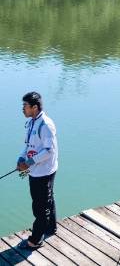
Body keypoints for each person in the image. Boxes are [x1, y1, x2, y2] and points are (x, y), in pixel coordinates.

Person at [16, 92, 58, 250]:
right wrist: (21, 158)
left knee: (40, 207)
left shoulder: (46, 125)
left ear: (35, 107)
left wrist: (29, 162)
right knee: (47, 199)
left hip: (44, 172)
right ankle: (50, 227)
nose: (23, 109)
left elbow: (49, 151)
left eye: (25, 106)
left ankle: (35, 240)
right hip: (34, 170)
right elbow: (28, 145)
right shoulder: (31, 122)